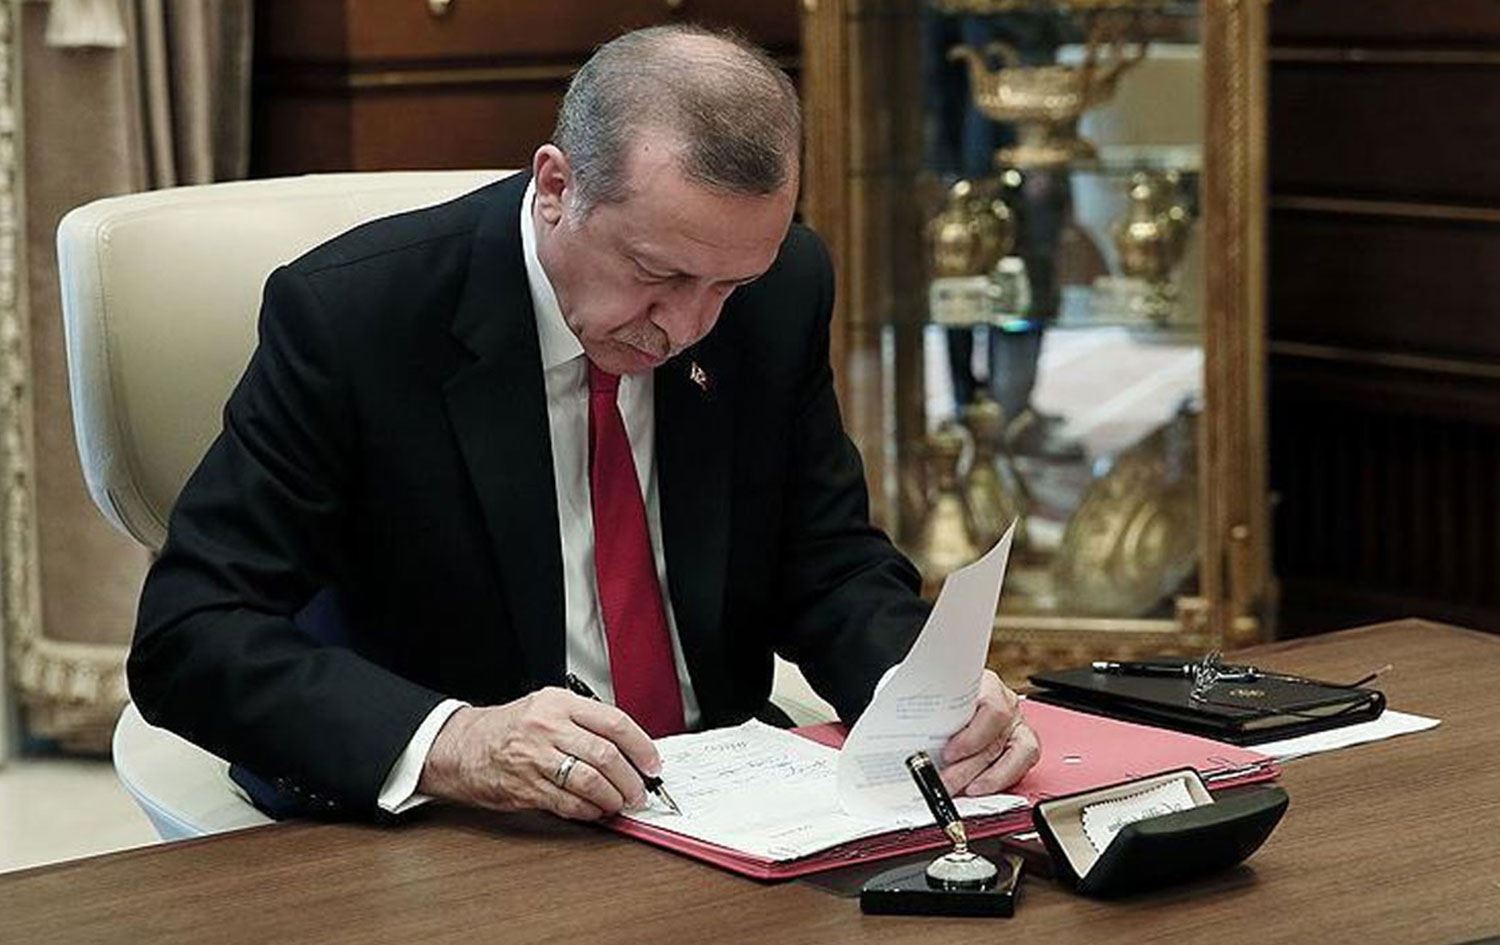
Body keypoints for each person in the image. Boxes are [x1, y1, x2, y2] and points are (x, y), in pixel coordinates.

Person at [130, 25, 1039, 824]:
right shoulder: (357, 320)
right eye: (657, 274)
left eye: (728, 286)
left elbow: (827, 558)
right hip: (466, 823)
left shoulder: (781, 287)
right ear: (557, 186)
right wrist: (455, 741)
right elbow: (193, 632)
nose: (688, 326)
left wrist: (916, 693)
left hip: (728, 803)